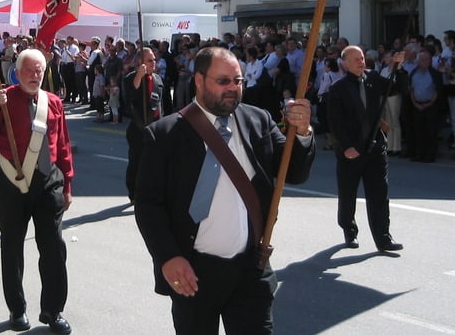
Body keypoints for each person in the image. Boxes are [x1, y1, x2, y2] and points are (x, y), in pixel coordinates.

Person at [134, 46, 315, 335]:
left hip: (250, 269)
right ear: (199, 80)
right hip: (194, 272)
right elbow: (147, 205)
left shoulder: (259, 120)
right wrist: (168, 256)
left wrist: (304, 132)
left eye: (238, 81)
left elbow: (294, 172)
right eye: (223, 81)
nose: (233, 89)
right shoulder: (165, 134)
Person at [0, 49, 74, 334]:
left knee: (54, 248)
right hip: (11, 184)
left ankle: (53, 310)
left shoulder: (53, 102)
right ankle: (17, 309)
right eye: (29, 70)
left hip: (48, 185)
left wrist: (68, 184)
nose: (35, 75)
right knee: (12, 248)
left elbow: (63, 147)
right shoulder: (3, 99)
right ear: (16, 73)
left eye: (39, 70)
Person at [327, 45, 406, 252]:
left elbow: (396, 88)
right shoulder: (338, 89)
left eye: (362, 58)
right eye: (355, 59)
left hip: (374, 147)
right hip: (351, 151)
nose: (361, 62)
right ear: (344, 63)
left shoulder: (373, 79)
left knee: (379, 194)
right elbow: (335, 123)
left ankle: (383, 238)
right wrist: (346, 147)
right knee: (348, 194)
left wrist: (399, 68)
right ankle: (349, 231)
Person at [123, 46, 164, 201]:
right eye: (150, 60)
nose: (154, 62)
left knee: (155, 164)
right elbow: (129, 100)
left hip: (155, 128)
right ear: (141, 62)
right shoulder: (131, 78)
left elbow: (162, 104)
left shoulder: (158, 79)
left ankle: (152, 191)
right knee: (136, 162)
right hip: (138, 128)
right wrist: (138, 77)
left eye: (154, 59)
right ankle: (133, 192)